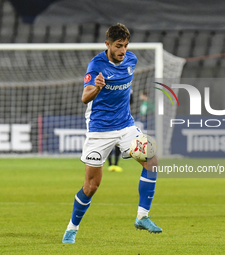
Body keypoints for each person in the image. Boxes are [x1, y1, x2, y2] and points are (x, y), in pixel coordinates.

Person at [62, 23, 162, 244]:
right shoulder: (96, 65)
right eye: (118, 46)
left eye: (125, 46)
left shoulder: (131, 60)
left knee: (152, 160)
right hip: (100, 130)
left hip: (125, 125)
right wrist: (97, 87)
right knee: (91, 186)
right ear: (107, 44)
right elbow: (85, 97)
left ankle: (142, 217)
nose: (122, 51)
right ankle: (72, 228)